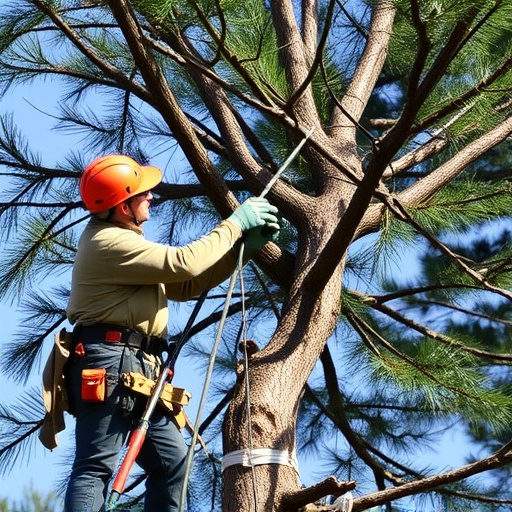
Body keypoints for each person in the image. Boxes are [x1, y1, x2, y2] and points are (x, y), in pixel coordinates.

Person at [64, 154, 280, 512]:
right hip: (109, 363)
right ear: (122, 206)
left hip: (135, 368)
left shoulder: (120, 239)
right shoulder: (109, 243)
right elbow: (184, 263)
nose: (151, 197)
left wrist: (244, 251)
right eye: (142, 194)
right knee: (96, 467)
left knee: (173, 463)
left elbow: (185, 285)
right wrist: (234, 225)